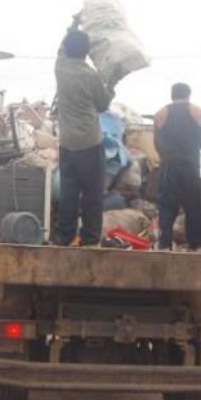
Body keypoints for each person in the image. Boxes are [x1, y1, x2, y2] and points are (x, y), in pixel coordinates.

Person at [52, 24, 115, 247]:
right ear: (87, 52)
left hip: (67, 143)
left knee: (69, 192)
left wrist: (72, 25)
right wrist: (111, 87)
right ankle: (89, 237)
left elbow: (61, 48)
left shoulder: (60, 68)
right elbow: (102, 104)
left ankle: (63, 236)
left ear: (67, 49)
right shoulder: (91, 75)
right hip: (90, 141)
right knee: (92, 193)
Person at [153, 83, 201, 251]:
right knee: (192, 203)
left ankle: (165, 244)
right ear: (188, 95)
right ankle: (195, 243)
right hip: (191, 163)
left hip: (169, 164)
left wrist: (166, 156)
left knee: (167, 204)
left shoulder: (160, 114)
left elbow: (156, 142)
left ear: (172, 95)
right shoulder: (198, 112)